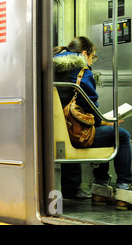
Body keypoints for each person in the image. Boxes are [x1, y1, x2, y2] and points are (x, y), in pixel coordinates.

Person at [53, 36, 132, 209]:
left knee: (107, 133)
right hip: (76, 135)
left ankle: (101, 190)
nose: (92, 62)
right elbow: (91, 111)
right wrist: (107, 121)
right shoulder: (82, 72)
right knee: (121, 135)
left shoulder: (50, 70)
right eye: (93, 57)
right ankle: (123, 190)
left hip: (54, 136)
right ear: (84, 53)